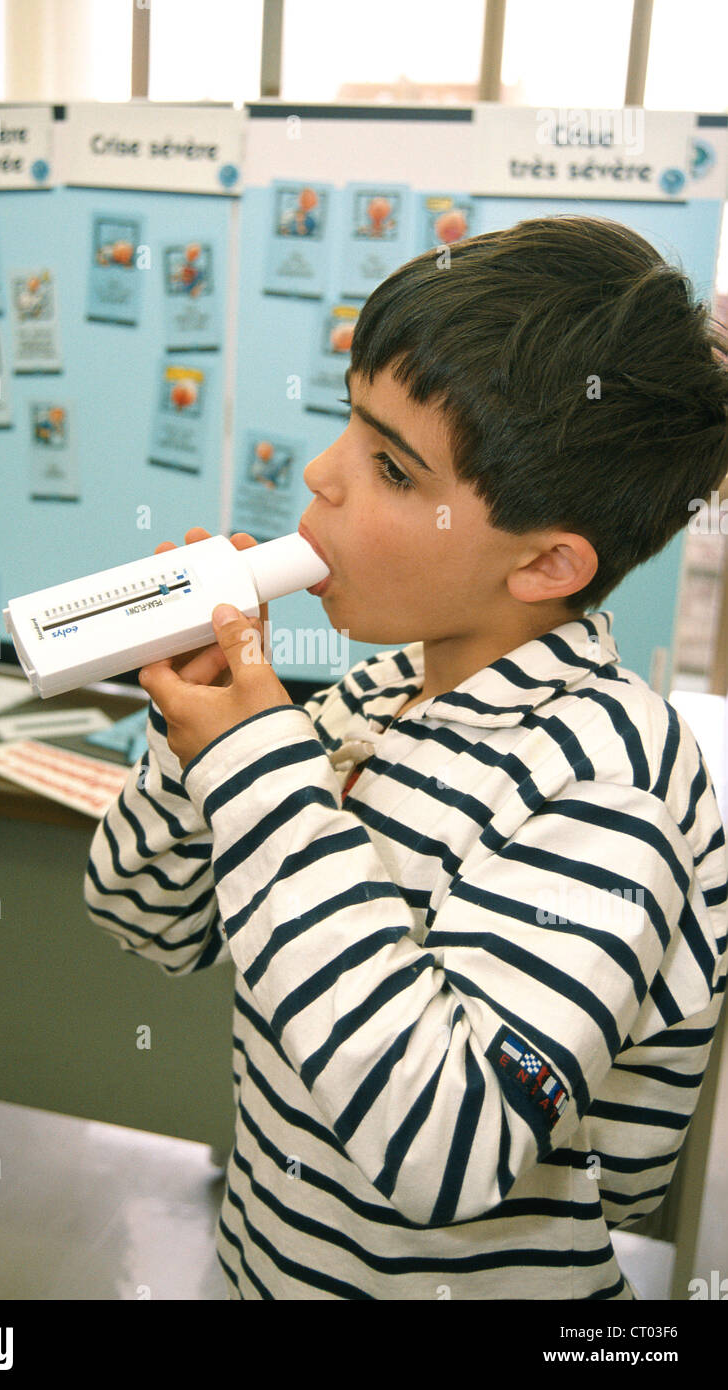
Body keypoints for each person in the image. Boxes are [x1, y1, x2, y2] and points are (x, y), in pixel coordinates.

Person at [84, 215, 728, 1300]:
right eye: (348, 421)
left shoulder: (609, 777)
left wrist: (253, 770)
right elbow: (144, 917)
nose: (321, 475)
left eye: (389, 464)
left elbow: (452, 1146)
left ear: (545, 563)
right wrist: (190, 738)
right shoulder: (377, 696)